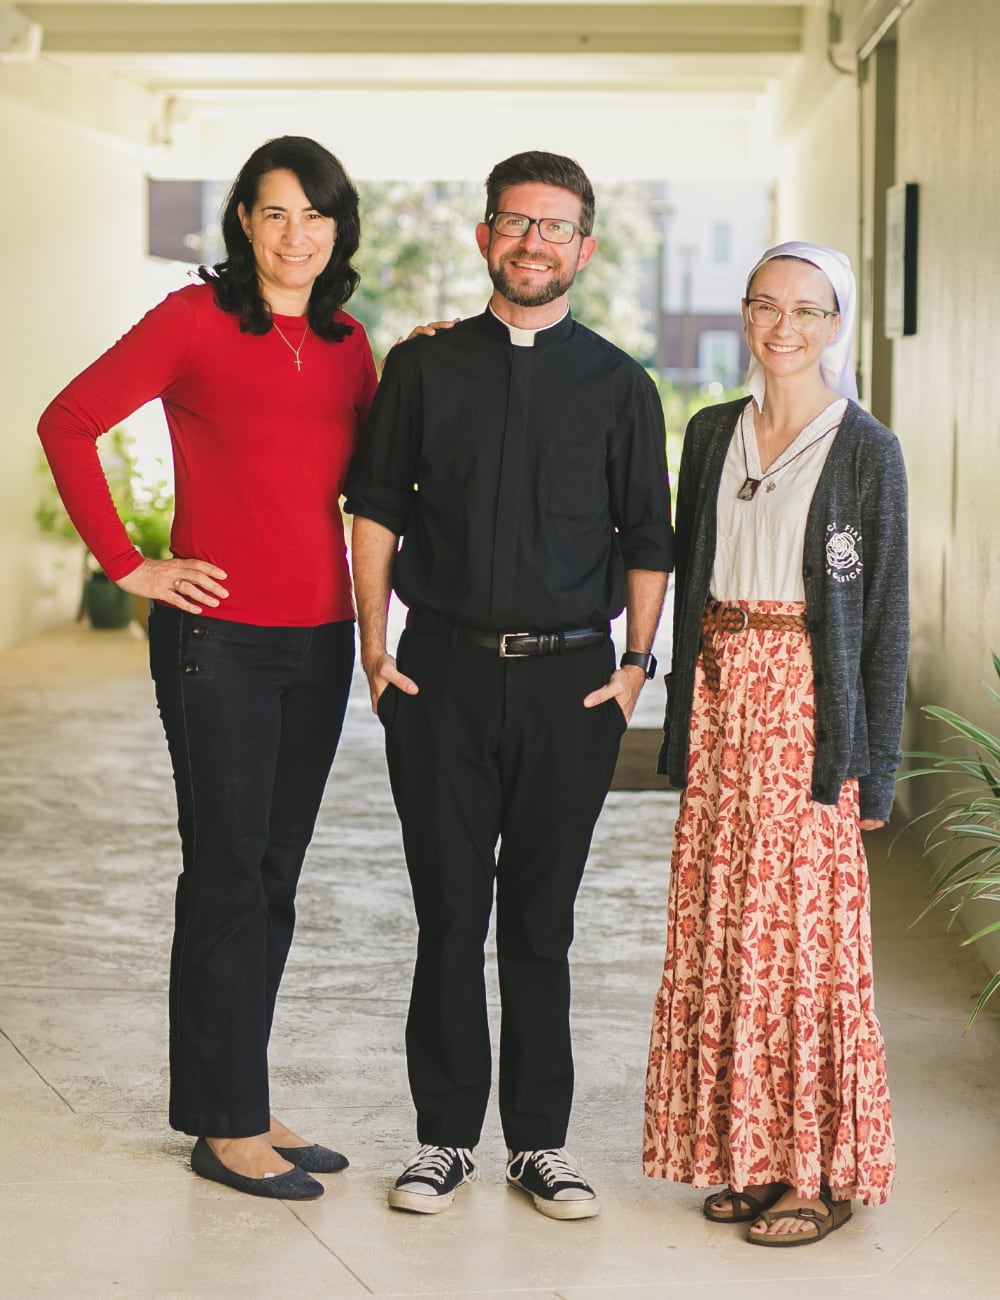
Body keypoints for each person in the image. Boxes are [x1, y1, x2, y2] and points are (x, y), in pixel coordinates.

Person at [37, 136, 377, 1201]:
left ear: (338, 228)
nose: (296, 235)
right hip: (217, 641)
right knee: (228, 871)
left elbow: (376, 477)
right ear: (242, 220)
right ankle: (224, 1125)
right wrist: (131, 564)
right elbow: (68, 420)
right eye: (275, 213)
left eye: (315, 216)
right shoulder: (195, 322)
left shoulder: (349, 342)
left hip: (318, 640)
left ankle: (239, 1094)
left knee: (272, 878)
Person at [347, 150, 673, 1220]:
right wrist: (373, 643)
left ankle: (540, 1141)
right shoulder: (424, 367)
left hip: (571, 685)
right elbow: (379, 510)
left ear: (584, 248)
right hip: (436, 674)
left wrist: (634, 667)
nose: (534, 242)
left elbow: (648, 536)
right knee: (448, 914)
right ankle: (444, 1136)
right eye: (516, 222)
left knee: (541, 920)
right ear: (485, 236)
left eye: (556, 227)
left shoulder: (622, 384)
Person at [643, 241, 908, 1245]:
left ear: (835, 324)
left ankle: (820, 1171)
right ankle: (750, 1157)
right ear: (745, 315)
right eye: (765, 304)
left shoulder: (864, 448)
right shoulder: (712, 432)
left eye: (808, 308)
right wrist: (681, 721)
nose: (784, 326)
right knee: (726, 929)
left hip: (807, 708)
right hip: (720, 700)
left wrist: (870, 762)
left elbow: (884, 618)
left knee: (801, 942)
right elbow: (686, 581)